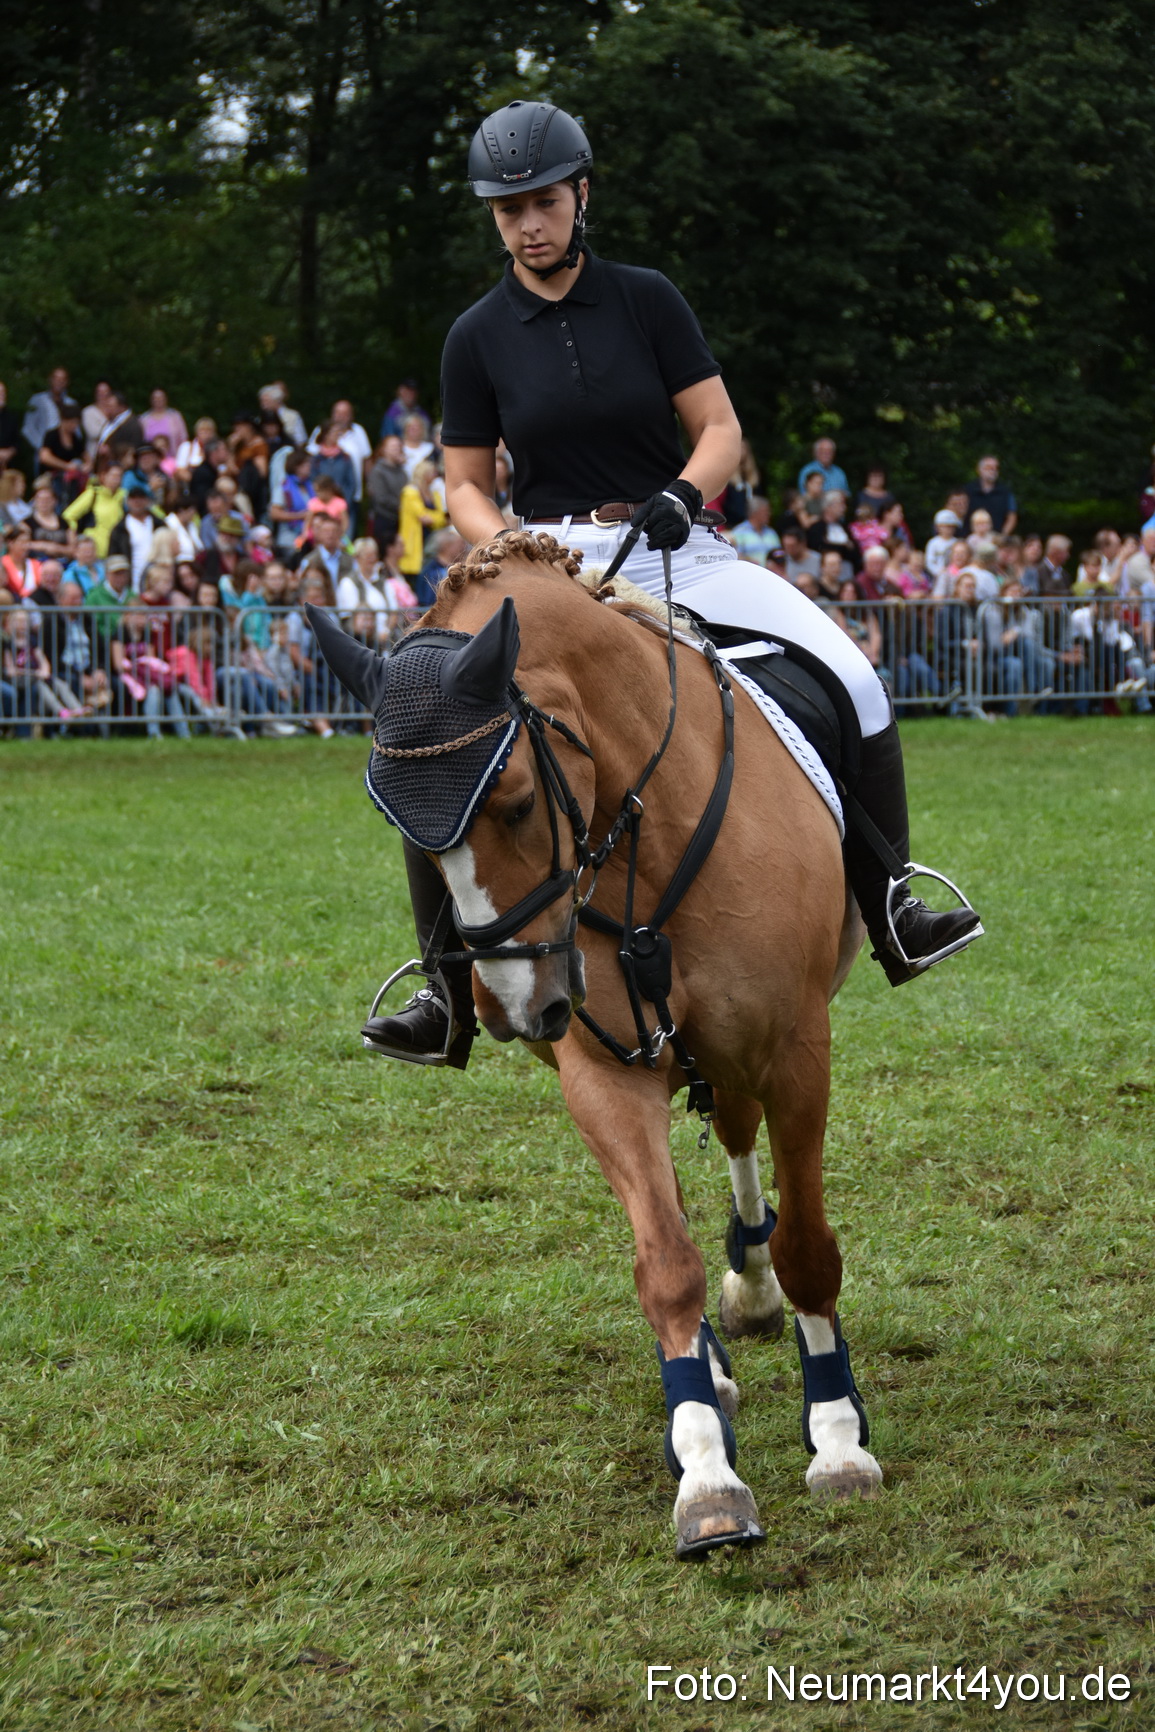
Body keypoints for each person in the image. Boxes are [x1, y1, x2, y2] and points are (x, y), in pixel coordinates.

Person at [360, 98, 981, 1066]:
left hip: (671, 542)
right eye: (508, 208)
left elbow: (721, 429)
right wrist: (512, 544)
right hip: (549, 563)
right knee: (436, 730)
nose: (529, 222)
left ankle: (893, 898)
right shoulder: (474, 334)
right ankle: (441, 988)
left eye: (545, 201)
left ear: (581, 195)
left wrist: (683, 496)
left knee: (852, 672)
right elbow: (466, 484)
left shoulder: (648, 298)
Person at [63, 460, 125, 557]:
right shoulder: (93, 493)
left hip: (117, 552)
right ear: (103, 476)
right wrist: (74, 537)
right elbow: (68, 515)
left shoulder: (124, 496)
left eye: (119, 476)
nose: (116, 479)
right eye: (113, 476)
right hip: (94, 552)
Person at [108, 484, 164, 588]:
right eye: (133, 498)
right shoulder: (119, 530)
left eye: (141, 498)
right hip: (131, 583)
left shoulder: (159, 525)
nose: (137, 502)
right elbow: (113, 558)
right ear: (127, 501)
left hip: (157, 584)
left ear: (148, 500)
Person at [38, 400, 87, 506]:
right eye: (72, 422)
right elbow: (44, 457)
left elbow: (86, 455)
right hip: (52, 478)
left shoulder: (75, 438)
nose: (74, 426)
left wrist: (86, 466)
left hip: (71, 481)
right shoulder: (52, 435)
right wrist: (66, 466)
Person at [366, 435, 408, 547]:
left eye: (398, 446)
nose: (397, 449)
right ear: (384, 449)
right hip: (385, 519)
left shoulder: (402, 470)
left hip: (401, 519)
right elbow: (381, 498)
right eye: (393, 446)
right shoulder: (378, 471)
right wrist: (403, 506)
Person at [22, 367, 71, 455]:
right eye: (56, 378)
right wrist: (42, 446)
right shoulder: (37, 400)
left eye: (63, 379)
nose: (59, 381)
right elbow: (28, 428)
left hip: (66, 453)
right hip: (44, 454)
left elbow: (76, 429)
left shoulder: (71, 403)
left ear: (67, 382)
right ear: (50, 380)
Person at [964, 455, 1017, 535]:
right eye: (989, 467)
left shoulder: (1005, 492)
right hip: (970, 540)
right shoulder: (968, 491)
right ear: (979, 470)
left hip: (996, 540)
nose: (993, 470)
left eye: (996, 467)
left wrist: (1003, 536)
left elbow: (1012, 517)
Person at [730, 495, 780, 565]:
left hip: (771, 574)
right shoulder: (739, 533)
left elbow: (779, 553)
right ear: (755, 513)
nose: (769, 514)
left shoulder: (771, 533)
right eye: (766, 511)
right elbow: (735, 556)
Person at [0, 380, 22, 474]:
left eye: (3, 393)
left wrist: (9, 452)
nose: (2, 396)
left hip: (6, 467)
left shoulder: (12, 418)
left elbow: (17, 442)